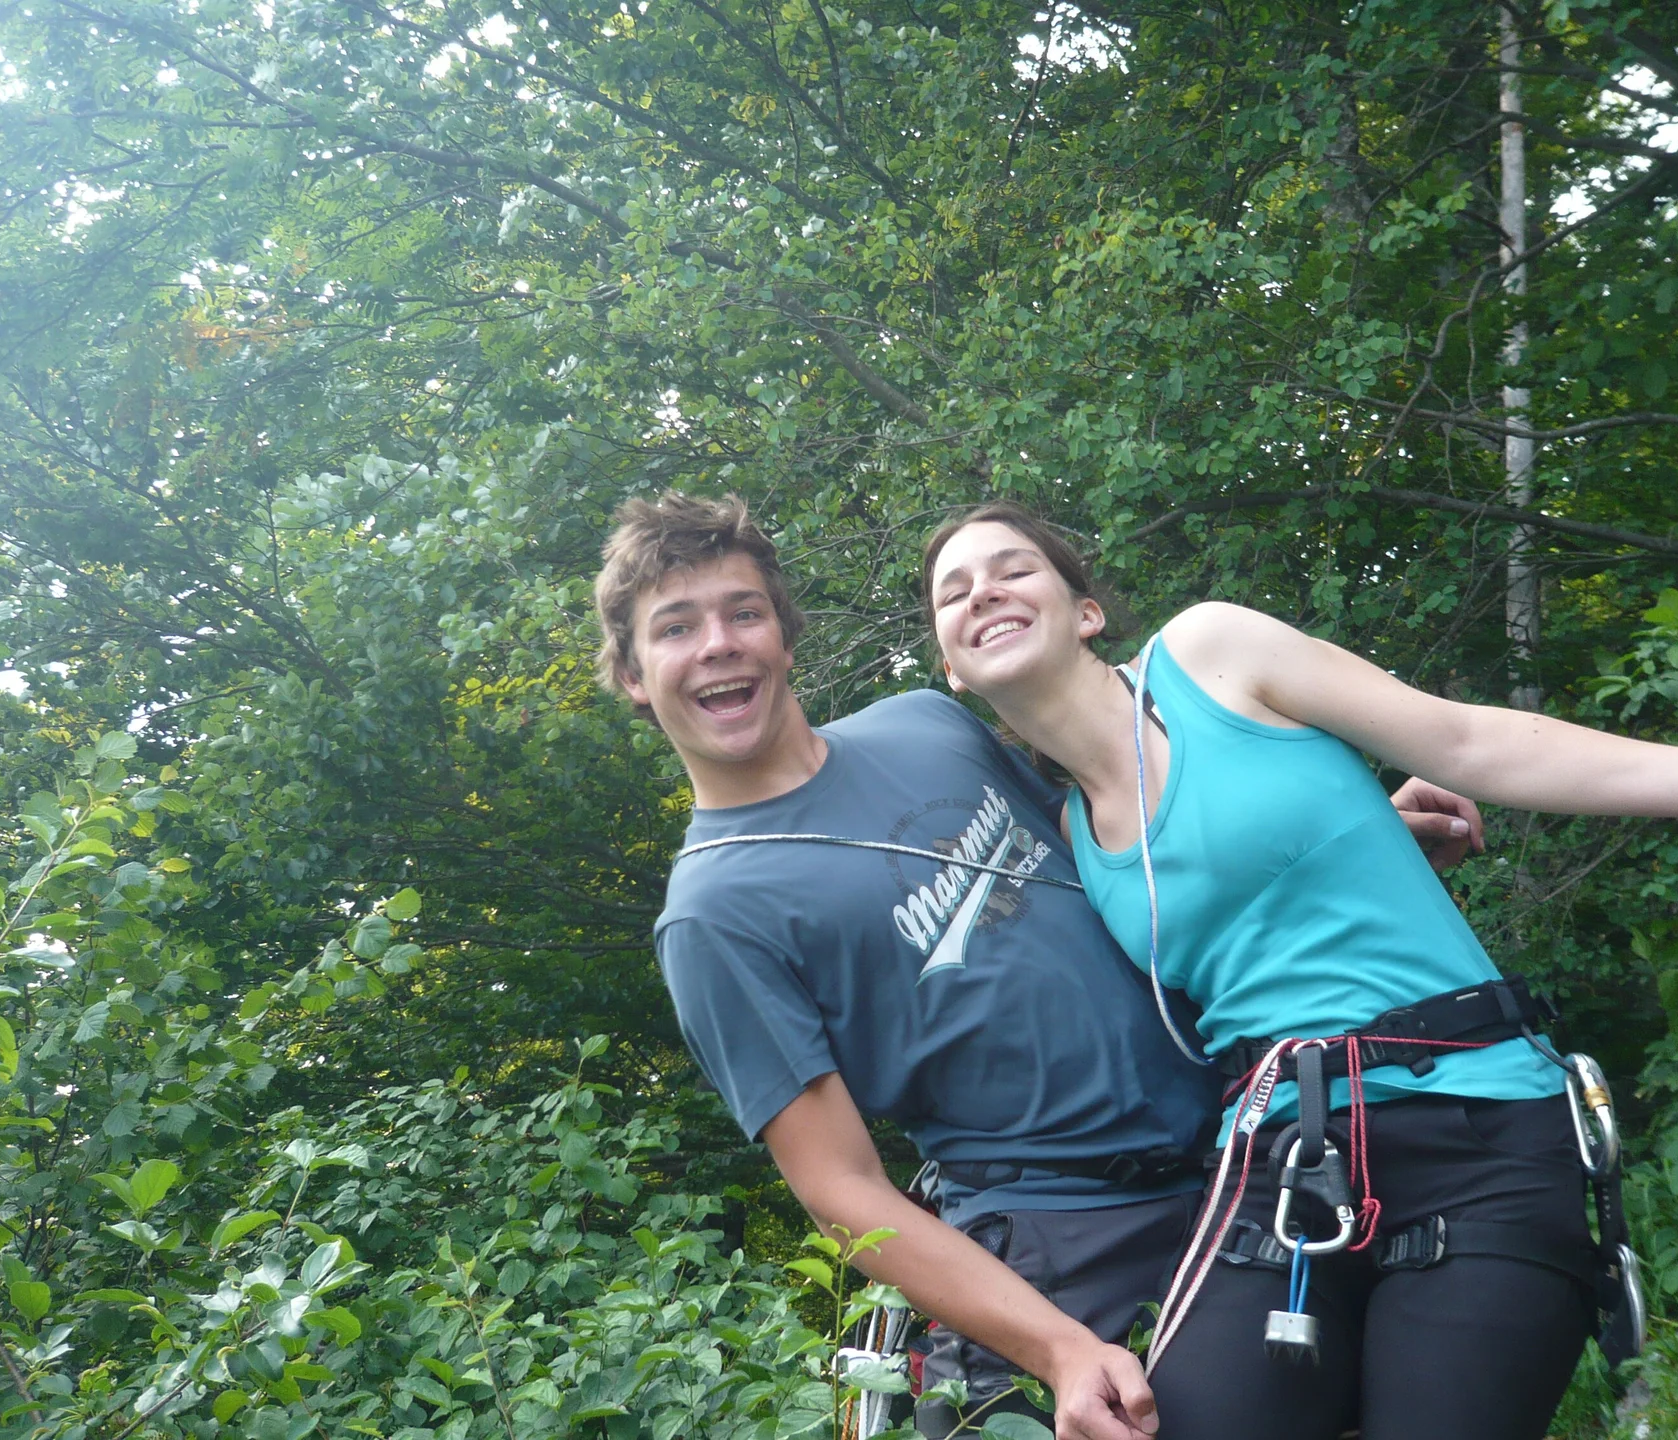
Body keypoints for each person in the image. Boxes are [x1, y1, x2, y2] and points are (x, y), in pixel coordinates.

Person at [922, 500, 1678, 1440]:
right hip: (1279, 1170)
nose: (985, 594)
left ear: (1085, 610)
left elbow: (1462, 740)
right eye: (953, 592)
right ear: (951, 670)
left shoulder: (1209, 654)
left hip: (1479, 1126)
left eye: (1012, 568)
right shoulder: (1068, 841)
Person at [594, 491, 1482, 1440]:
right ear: (636, 676)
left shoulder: (925, 724)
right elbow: (841, 1191)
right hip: (1056, 1245)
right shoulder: (712, 914)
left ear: (784, 636)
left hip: (1245, 1166)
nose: (718, 643)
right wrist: (1057, 1348)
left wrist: (1331, 838)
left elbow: (1124, 852)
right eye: (676, 628)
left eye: (744, 611)